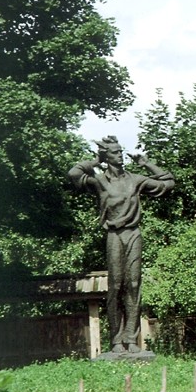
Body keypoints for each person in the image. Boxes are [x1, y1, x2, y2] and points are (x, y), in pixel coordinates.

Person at [68, 136, 175, 353]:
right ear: (107, 157)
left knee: (133, 285)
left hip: (133, 233)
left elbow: (168, 182)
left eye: (120, 151)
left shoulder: (135, 180)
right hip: (114, 236)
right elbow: (73, 174)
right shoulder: (99, 181)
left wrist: (146, 163)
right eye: (115, 152)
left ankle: (131, 339)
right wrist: (96, 160)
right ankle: (116, 340)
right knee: (116, 286)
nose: (120, 156)